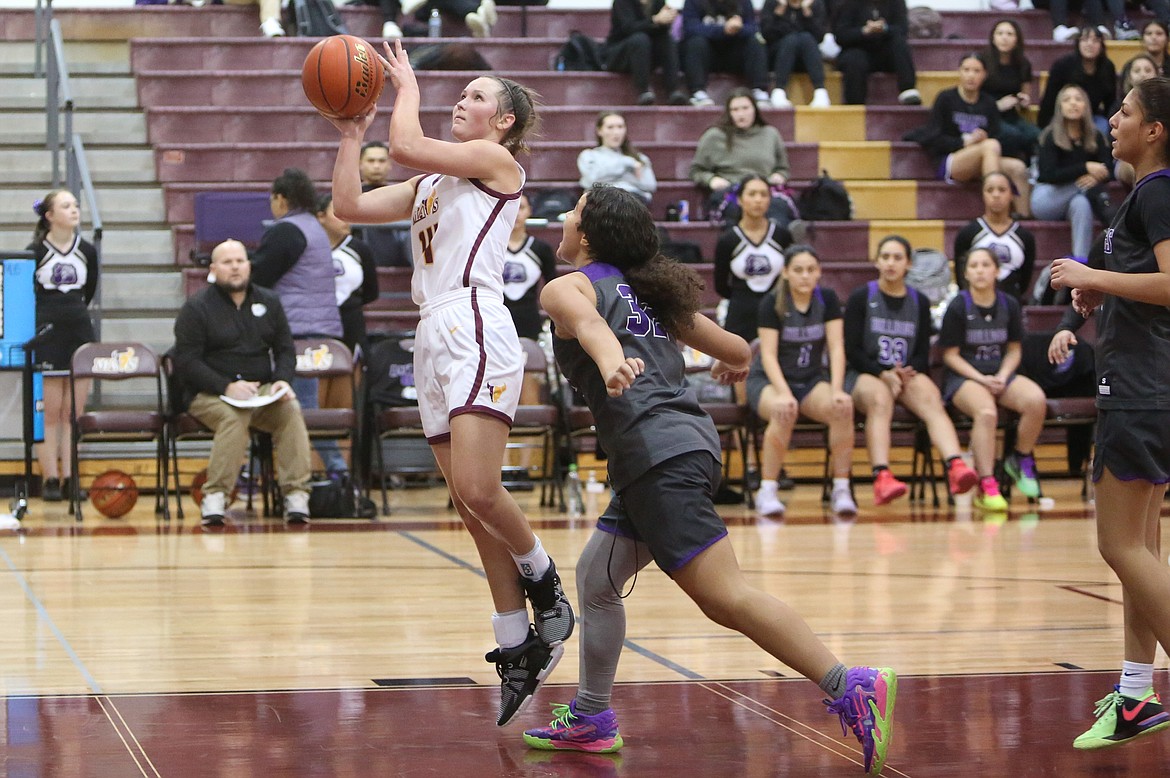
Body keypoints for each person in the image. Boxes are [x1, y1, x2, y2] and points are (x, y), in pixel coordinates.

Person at [525, 184, 897, 775]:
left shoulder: (565, 285)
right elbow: (735, 344)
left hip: (657, 455)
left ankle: (849, 682)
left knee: (726, 596)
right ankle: (593, 717)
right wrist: (738, 362)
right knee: (597, 576)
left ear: (589, 235)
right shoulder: (648, 291)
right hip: (683, 446)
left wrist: (608, 360)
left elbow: (588, 325)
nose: (563, 218)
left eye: (573, 212)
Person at [328, 40, 573, 727]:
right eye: (459, 93)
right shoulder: (432, 186)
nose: (460, 102)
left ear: (502, 121)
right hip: (432, 330)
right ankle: (514, 641)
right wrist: (352, 135)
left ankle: (547, 585)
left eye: (475, 97)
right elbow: (347, 205)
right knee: (468, 508)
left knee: (477, 487)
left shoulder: (500, 165)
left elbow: (405, 144)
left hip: (476, 322)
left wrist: (402, 86)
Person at [1049, 76, 1170, 751]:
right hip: (1148, 384)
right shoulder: (1143, 195)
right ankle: (1134, 696)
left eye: (1125, 111)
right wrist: (1099, 306)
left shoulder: (1156, 191)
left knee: (1117, 546)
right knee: (1141, 552)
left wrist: (1094, 278)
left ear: (1154, 129)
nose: (1113, 119)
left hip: (1142, 391)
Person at [173, 240, 313, 526]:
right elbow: (186, 361)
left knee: (290, 409)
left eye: (240, 261)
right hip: (209, 394)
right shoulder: (196, 308)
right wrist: (226, 387)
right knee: (234, 416)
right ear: (213, 269)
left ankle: (296, 494)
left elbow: (286, 349)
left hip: (259, 391)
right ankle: (215, 496)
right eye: (227, 262)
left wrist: (282, 381)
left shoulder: (269, 301)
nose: (235, 267)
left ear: (249, 266)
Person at [844, 235, 979, 506]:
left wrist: (904, 373)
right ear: (877, 262)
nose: (891, 263)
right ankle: (881, 476)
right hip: (865, 373)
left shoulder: (918, 302)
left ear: (908, 264)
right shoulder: (862, 297)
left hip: (903, 374)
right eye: (885, 257)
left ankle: (955, 465)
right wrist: (883, 373)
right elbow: (853, 351)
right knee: (880, 398)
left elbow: (920, 355)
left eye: (897, 258)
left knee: (930, 394)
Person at [250, 168, 349, 480]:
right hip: (319, 329)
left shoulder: (287, 230)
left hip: (296, 332)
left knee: (299, 408)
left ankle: (336, 471)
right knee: (290, 406)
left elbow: (259, 277)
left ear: (281, 199)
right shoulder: (314, 228)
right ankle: (254, 470)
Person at [747, 244, 857, 517]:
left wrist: (837, 390)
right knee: (784, 410)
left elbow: (836, 347)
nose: (805, 276)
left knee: (843, 408)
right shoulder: (771, 303)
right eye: (798, 270)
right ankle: (767, 489)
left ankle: (841, 488)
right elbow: (768, 355)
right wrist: (784, 393)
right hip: (768, 380)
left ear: (818, 272)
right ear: (785, 272)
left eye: (810, 270)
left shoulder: (827, 299)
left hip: (809, 379)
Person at [938, 247, 1048, 511]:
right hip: (965, 376)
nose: (979, 270)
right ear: (965, 273)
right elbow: (950, 356)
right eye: (973, 265)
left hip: (1000, 374)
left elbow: (1014, 350)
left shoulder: (1009, 304)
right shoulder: (957, 306)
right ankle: (986, 483)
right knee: (986, 412)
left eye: (985, 265)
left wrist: (1001, 376)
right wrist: (981, 378)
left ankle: (1019, 458)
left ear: (997, 271)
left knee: (1036, 400)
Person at [27, 189, 98, 503]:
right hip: (47, 332)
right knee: (50, 412)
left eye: (76, 205)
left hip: (79, 331)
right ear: (49, 216)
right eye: (66, 206)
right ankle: (50, 479)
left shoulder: (87, 250)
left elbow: (90, 288)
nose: (74, 210)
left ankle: (71, 477)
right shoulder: (35, 252)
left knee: (74, 412)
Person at [909, 53, 1032, 218]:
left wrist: (983, 139)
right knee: (990, 146)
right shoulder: (946, 98)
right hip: (951, 159)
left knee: (1018, 168)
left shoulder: (988, 103)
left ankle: (1023, 218)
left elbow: (996, 137)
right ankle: (995, 213)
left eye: (976, 71)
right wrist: (964, 142)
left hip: (985, 157)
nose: (971, 75)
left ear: (984, 75)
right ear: (959, 72)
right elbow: (933, 137)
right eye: (966, 70)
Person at [1031, 84, 1113, 263]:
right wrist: (1085, 168)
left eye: (1078, 99)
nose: (1073, 103)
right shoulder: (1050, 135)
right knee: (1083, 190)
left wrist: (1094, 176)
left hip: (1074, 198)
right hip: (1047, 198)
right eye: (1067, 100)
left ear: (1086, 106)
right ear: (1059, 107)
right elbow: (1047, 174)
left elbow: (1108, 168)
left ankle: (1081, 260)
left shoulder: (1096, 136)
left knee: (1081, 203)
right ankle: (1112, 221)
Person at [689, 89, 791, 221]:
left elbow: (783, 168)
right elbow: (696, 171)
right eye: (735, 110)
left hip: (764, 189)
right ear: (729, 112)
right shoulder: (714, 136)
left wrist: (780, 175)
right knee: (738, 209)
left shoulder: (770, 134)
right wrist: (711, 180)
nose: (741, 114)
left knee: (778, 207)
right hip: (731, 191)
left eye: (745, 108)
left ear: (754, 109)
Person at [712, 174, 791, 343]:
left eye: (763, 194)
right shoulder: (728, 240)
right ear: (740, 199)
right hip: (740, 314)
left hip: (777, 310)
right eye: (752, 194)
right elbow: (721, 285)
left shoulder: (782, 236)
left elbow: (789, 275)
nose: (758, 200)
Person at [952, 171, 1037, 303]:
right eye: (990, 190)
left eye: (1002, 190)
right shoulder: (967, 233)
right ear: (983, 195)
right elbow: (960, 275)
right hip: (974, 304)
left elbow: (1025, 279)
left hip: (1011, 304)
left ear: (1011, 195)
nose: (996, 195)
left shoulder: (1024, 237)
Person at [316, 194, 379, 361]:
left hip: (352, 321)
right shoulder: (309, 249)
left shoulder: (360, 249)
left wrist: (351, 304)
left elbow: (372, 291)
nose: (346, 219)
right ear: (321, 216)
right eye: (338, 213)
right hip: (319, 322)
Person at [680, 0, 771, 107]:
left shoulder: (743, 2)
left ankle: (759, 90)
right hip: (707, 56)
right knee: (695, 42)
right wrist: (723, 30)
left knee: (755, 41)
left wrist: (738, 28)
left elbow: (753, 28)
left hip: (734, 56)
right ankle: (697, 92)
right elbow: (690, 29)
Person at [831, 0, 920, 106]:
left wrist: (884, 29)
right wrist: (864, 31)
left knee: (899, 44)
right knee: (854, 59)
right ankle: (855, 104)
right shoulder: (849, 3)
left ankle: (908, 90)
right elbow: (841, 36)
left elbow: (902, 30)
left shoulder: (896, 2)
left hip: (886, 52)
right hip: (858, 49)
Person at [604, 0, 689, 106]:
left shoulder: (657, 2)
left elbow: (661, 29)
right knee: (640, 39)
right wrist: (655, 20)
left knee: (667, 40)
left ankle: (673, 90)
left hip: (647, 53)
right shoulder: (622, 2)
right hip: (621, 53)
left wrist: (668, 18)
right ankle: (643, 90)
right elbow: (628, 28)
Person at [1037, 27, 1116, 137]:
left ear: (1102, 45)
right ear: (1078, 43)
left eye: (1095, 41)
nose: (1089, 44)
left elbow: (1110, 102)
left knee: (1103, 129)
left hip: (1092, 116)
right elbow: (1049, 99)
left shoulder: (1107, 67)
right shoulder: (1062, 65)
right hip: (1064, 116)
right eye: (1084, 40)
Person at [982, 19, 1040, 162]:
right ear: (993, 38)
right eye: (1000, 33)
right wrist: (997, 105)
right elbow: (974, 97)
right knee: (1011, 135)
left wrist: (1023, 100)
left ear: (1017, 39)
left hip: (1012, 115)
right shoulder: (983, 61)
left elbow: (1025, 95)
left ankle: (1032, 169)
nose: (1004, 37)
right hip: (988, 115)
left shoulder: (1023, 64)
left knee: (1036, 135)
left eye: (1009, 34)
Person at [504, 193, 558, 342]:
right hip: (497, 321)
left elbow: (553, 287)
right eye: (511, 207)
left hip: (530, 322)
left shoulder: (541, 249)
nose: (516, 213)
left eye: (521, 207)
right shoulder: (492, 246)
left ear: (530, 211)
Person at [759, 0, 831, 109]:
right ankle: (778, 90)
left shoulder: (815, 4)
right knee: (791, 39)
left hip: (807, 58)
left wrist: (807, 14)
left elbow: (819, 36)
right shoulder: (773, 3)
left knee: (806, 38)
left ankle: (820, 91)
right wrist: (778, 14)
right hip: (779, 56)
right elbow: (767, 34)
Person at [577, 111, 658, 204]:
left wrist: (608, 178)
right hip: (602, 202)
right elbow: (590, 181)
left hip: (633, 201)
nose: (616, 132)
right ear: (599, 131)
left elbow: (650, 185)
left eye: (620, 127)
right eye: (610, 127)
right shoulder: (589, 155)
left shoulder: (639, 158)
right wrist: (627, 165)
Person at [1113, 55, 1160, 187]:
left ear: (1157, 74)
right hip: (1127, 155)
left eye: (1147, 70)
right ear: (1129, 77)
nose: (1143, 75)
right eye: (1137, 71)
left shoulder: (1165, 105)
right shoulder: (1118, 106)